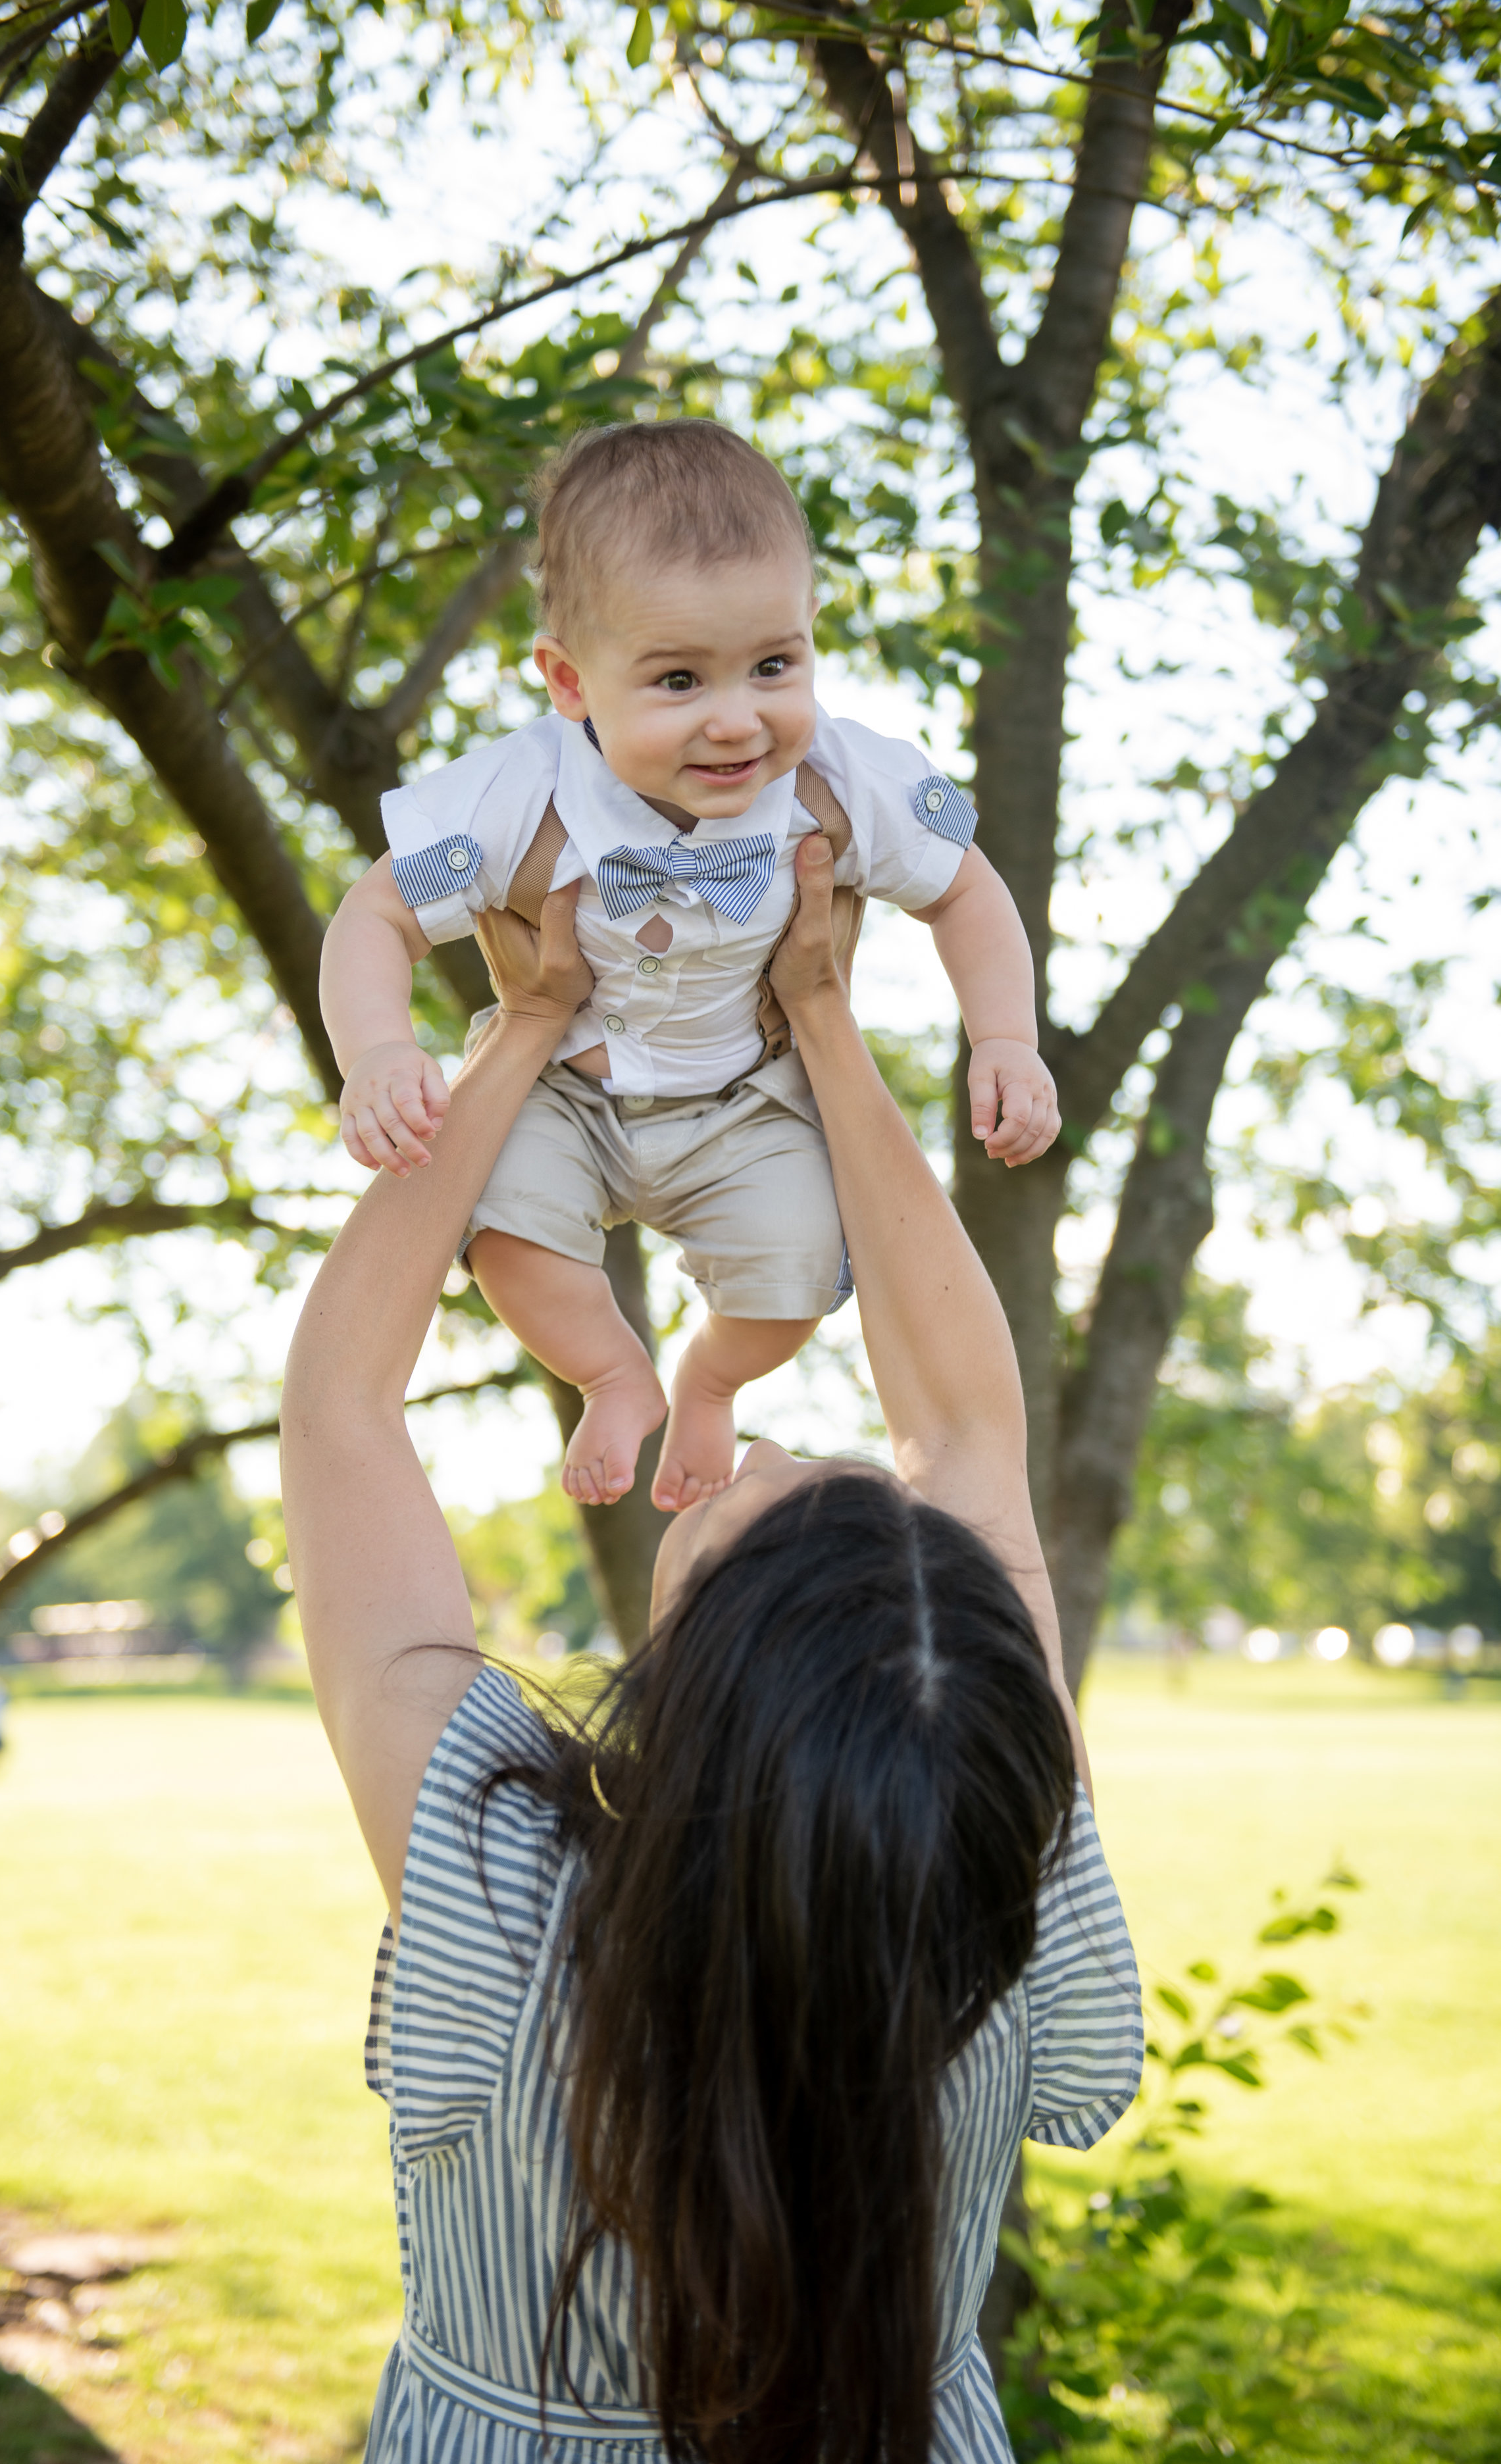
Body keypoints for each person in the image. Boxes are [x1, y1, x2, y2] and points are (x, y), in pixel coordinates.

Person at [283, 841, 1142, 2464]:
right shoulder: (997, 1871)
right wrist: (817, 1011)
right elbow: (966, 1430)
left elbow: (341, 1412)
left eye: (761, 1492)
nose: (744, 1449)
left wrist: (521, 1023)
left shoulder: (505, 1887)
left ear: (702, 1680)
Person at [318, 419, 1061, 1515]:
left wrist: (1005, 1036)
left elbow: (966, 887)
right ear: (571, 682)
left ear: (811, 636)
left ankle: (707, 1382)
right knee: (503, 1234)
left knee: (801, 1271)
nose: (736, 719)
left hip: (748, 1098)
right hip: (563, 1090)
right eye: (678, 680)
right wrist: (380, 1051)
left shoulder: (848, 780)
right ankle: (612, 1372)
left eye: (774, 665)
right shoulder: (514, 792)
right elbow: (375, 913)